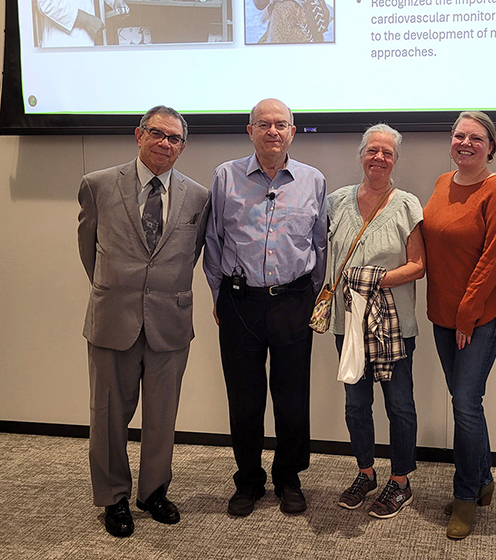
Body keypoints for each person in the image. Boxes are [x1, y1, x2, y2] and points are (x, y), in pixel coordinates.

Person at [77, 105, 210, 537]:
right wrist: (118, 291)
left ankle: (153, 491)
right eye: (157, 133)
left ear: (183, 147)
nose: (165, 143)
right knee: (109, 414)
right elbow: (88, 248)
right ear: (139, 135)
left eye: (174, 139)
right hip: (113, 318)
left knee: (162, 415)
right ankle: (113, 497)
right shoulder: (98, 185)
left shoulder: (198, 196)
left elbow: (191, 255)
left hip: (169, 322)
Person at [204, 98, 327, 516]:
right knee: (244, 397)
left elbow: (319, 244)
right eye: (264, 124)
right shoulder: (226, 176)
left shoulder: (313, 180)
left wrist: (309, 295)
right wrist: (218, 293)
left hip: (294, 300)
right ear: (250, 130)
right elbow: (213, 240)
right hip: (240, 303)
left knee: (293, 397)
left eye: (281, 125)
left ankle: (288, 478)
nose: (273, 131)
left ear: (293, 132)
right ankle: (249, 480)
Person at [422, 111, 496, 539]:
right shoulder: (443, 184)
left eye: (475, 138)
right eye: (459, 135)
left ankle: (465, 496)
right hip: (444, 314)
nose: (465, 143)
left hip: (483, 314)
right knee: (468, 404)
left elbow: (494, 259)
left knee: (464, 404)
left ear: (490, 147)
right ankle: (483, 480)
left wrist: (466, 313)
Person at [328, 124, 425, 519]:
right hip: (347, 325)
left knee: (399, 406)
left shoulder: (407, 205)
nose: (379, 158)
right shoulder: (335, 201)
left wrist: (371, 281)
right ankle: (365, 473)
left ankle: (401, 481)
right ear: (361, 155)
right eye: (372, 150)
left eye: (387, 152)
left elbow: (419, 266)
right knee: (356, 404)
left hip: (394, 326)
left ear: (395, 160)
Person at [36, 0, 129, 47]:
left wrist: (114, 2)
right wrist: (85, 19)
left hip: (97, 43)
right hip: (66, 44)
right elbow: (47, 3)